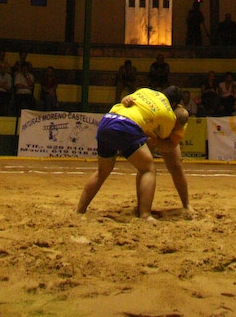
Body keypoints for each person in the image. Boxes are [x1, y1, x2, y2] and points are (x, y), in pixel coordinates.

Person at [76, 85, 185, 220]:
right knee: (148, 169)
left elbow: (127, 100)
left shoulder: (145, 91)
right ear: (175, 104)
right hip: (126, 126)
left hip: (107, 121)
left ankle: (80, 210)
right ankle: (145, 214)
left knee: (102, 172)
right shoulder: (169, 114)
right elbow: (165, 144)